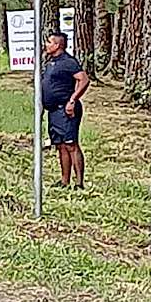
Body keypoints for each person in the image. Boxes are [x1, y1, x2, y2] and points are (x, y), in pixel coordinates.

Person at [41, 32, 91, 188]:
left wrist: (72, 100)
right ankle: (64, 181)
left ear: (57, 45)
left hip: (66, 109)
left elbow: (83, 79)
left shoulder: (68, 62)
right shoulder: (50, 62)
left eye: (49, 42)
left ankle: (79, 183)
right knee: (60, 145)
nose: (46, 45)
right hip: (53, 110)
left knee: (71, 144)